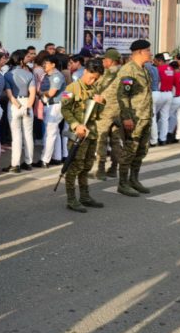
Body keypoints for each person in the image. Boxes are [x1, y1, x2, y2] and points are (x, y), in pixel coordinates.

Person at [61, 58, 105, 212]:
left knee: (86, 166)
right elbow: (65, 110)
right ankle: (71, 199)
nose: (92, 80)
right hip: (78, 134)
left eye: (96, 78)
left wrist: (101, 103)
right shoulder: (71, 88)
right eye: (91, 76)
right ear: (85, 71)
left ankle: (85, 196)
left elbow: (98, 114)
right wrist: (75, 125)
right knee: (75, 167)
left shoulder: (94, 89)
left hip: (91, 133)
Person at [116, 40, 153, 197]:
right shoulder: (128, 70)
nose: (150, 53)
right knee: (130, 150)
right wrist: (126, 117)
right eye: (147, 50)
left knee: (141, 150)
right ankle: (123, 183)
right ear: (139, 52)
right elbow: (123, 95)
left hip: (145, 116)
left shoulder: (144, 69)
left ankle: (134, 180)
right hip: (134, 117)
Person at [4, 50, 36, 173]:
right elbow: (32, 93)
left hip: (14, 105)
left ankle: (15, 165)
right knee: (28, 135)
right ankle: (28, 162)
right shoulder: (29, 74)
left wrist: (17, 105)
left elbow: (9, 93)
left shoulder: (8, 74)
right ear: (21, 60)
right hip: (27, 102)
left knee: (16, 136)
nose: (28, 58)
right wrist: (27, 107)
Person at [94, 48, 123, 180]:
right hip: (118, 111)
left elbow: (103, 91)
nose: (103, 61)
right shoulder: (122, 72)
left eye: (104, 59)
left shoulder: (111, 74)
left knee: (102, 139)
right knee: (116, 140)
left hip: (106, 111)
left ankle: (100, 170)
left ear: (110, 61)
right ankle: (114, 168)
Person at [35, 55, 65, 168]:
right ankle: (57, 158)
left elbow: (52, 93)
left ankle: (44, 160)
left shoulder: (57, 76)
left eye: (46, 63)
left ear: (53, 64)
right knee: (55, 133)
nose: (44, 65)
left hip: (55, 106)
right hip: (50, 105)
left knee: (49, 134)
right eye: (43, 63)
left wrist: (41, 93)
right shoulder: (48, 75)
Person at [152, 53, 174, 146]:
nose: (154, 62)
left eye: (155, 61)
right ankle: (163, 138)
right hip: (169, 94)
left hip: (160, 93)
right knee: (164, 117)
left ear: (160, 61)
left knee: (153, 117)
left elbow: (157, 81)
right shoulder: (171, 69)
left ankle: (154, 140)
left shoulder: (158, 69)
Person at [168, 60, 180, 144]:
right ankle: (179, 136)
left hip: (175, 98)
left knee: (168, 116)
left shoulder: (173, 75)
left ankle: (169, 133)